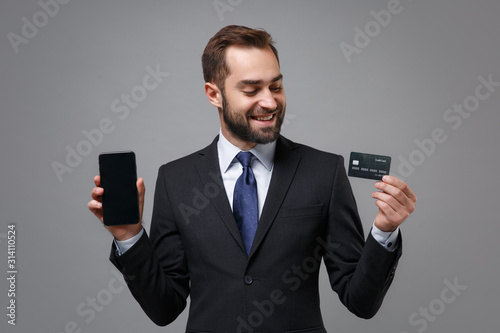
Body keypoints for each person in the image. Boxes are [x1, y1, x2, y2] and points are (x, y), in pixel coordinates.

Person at [88, 25, 416, 333]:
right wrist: (130, 237)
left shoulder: (324, 172)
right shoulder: (177, 179)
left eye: (276, 86)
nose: (270, 102)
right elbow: (164, 308)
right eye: (251, 89)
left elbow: (360, 301)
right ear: (213, 94)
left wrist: (384, 232)